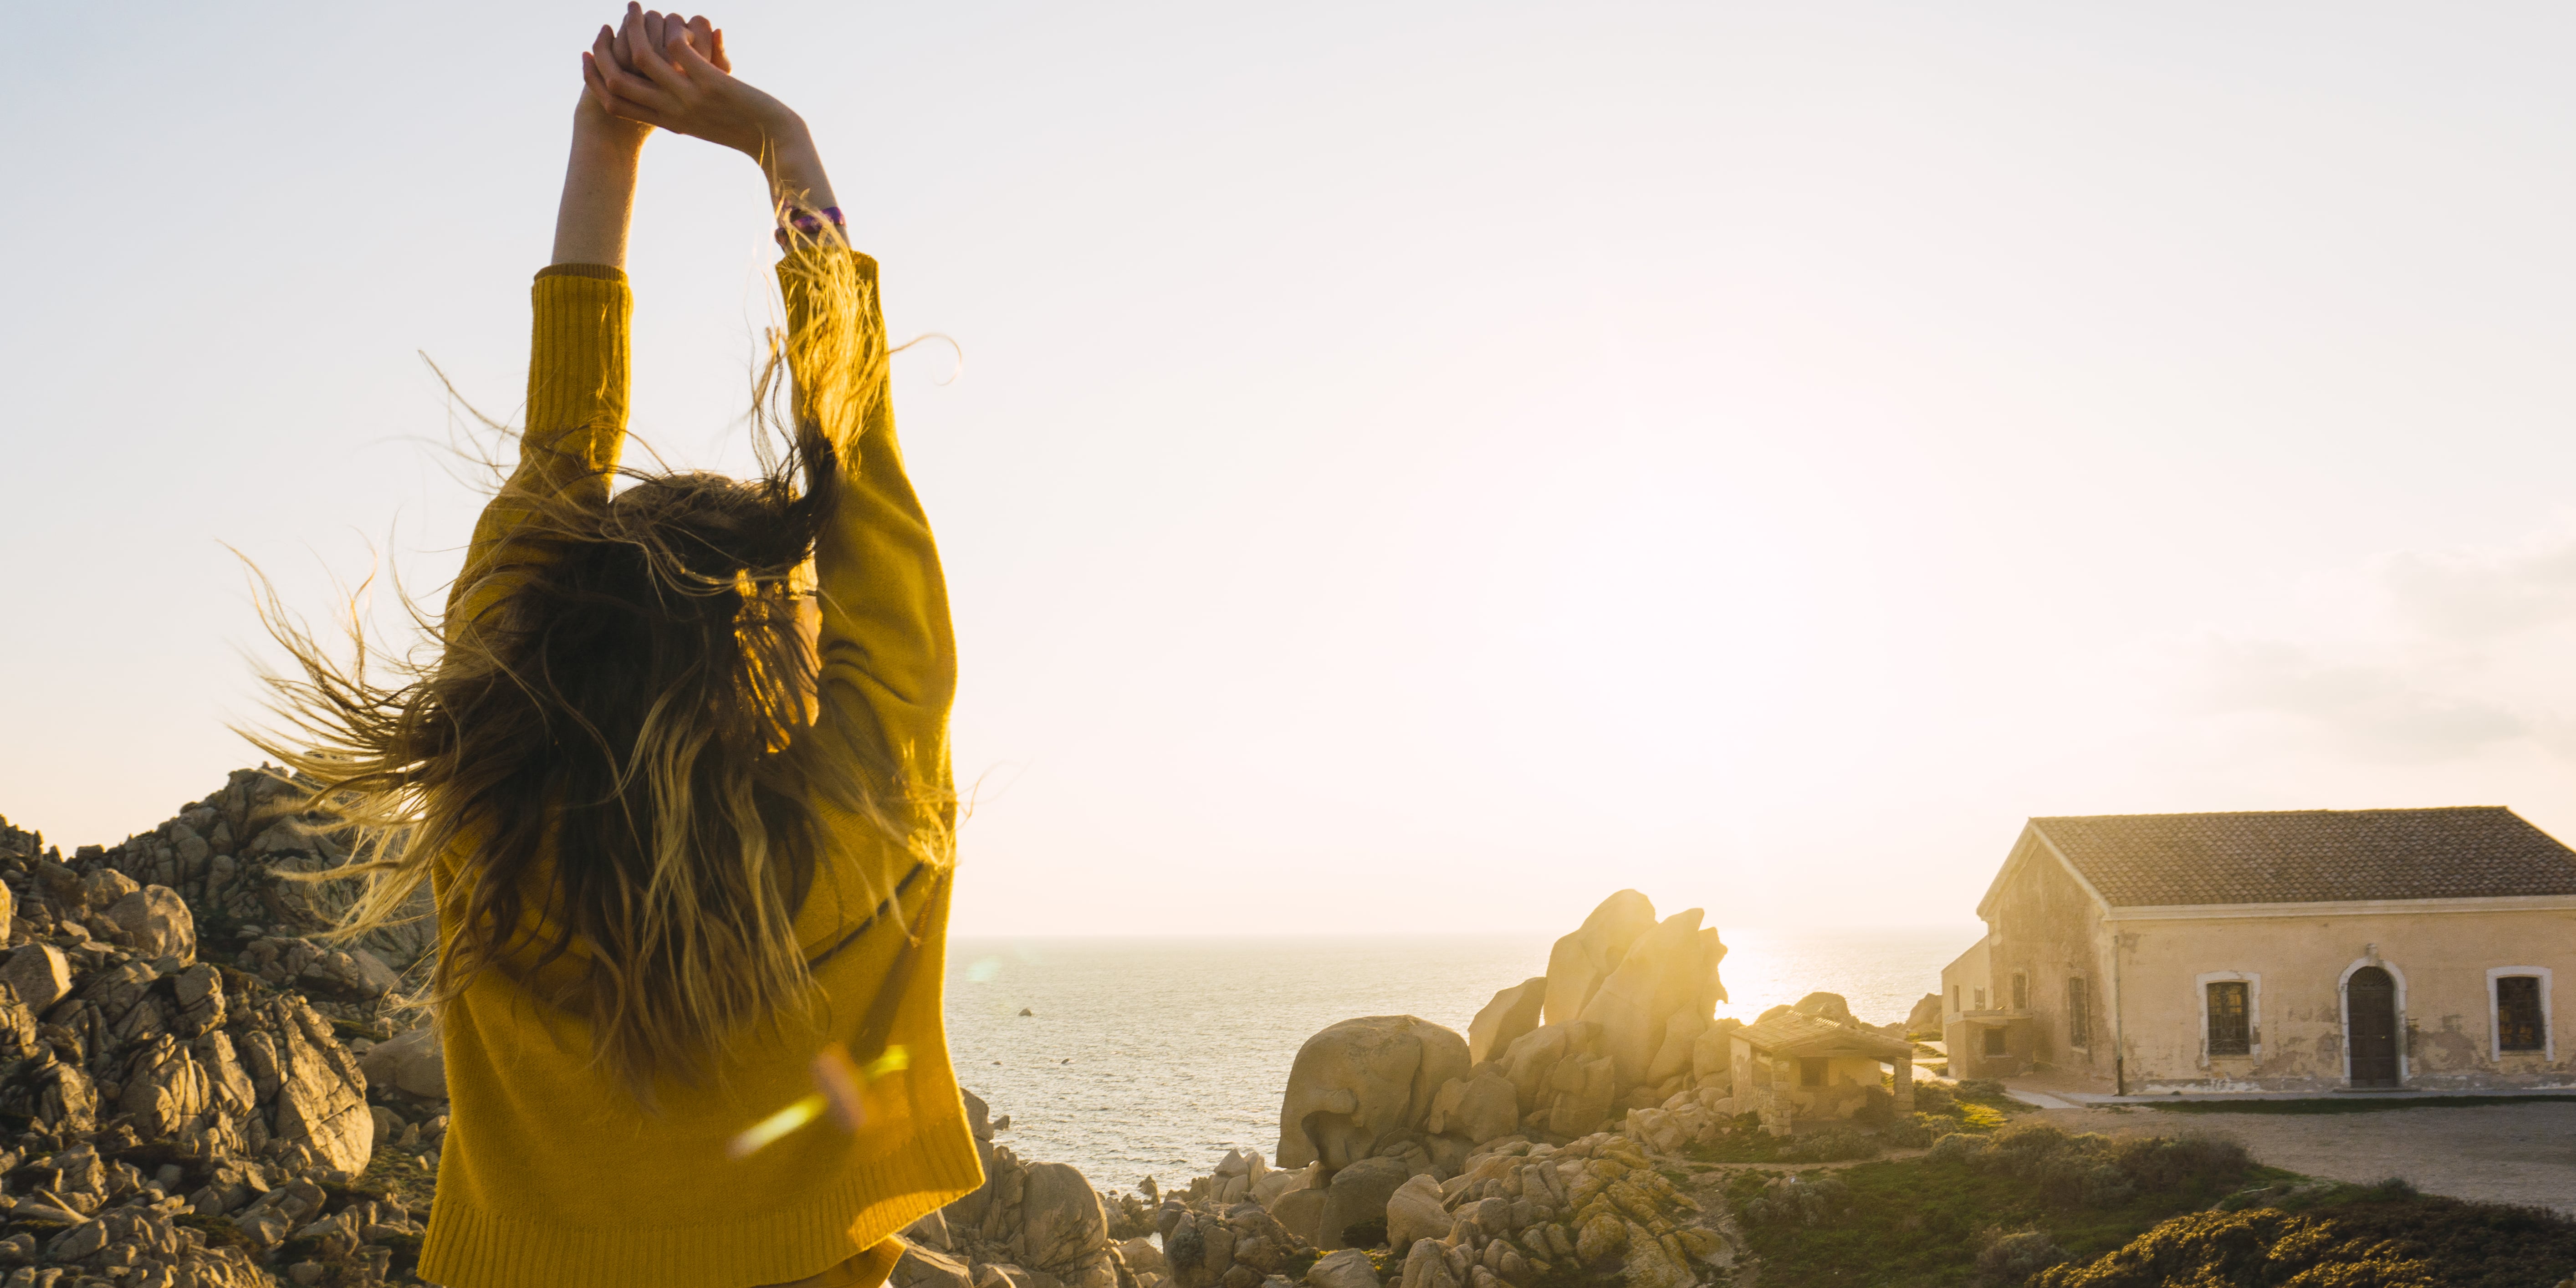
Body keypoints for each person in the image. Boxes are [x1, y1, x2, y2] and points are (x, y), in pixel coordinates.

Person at [249, 8, 981, 1286]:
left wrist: (609, 146)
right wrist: (777, 143)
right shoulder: (859, 819)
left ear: (547, 646)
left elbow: (559, 457)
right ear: (768, 646)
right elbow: (854, 461)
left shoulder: (494, 824)